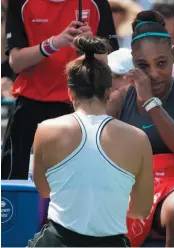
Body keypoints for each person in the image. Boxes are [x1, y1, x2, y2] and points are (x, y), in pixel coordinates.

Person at [29, 36, 154, 247]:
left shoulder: (45, 130)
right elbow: (141, 209)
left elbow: (44, 190)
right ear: (108, 93)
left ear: (70, 93)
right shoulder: (138, 138)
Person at [107, 10, 174, 247]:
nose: (154, 74)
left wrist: (150, 103)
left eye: (161, 63)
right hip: (131, 190)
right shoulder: (117, 100)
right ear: (132, 64)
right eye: (143, 66)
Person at [1, 0, 119, 180]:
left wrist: (92, 46)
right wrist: (54, 43)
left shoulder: (96, 3)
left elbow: (111, 63)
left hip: (80, 106)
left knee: (77, 182)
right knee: (13, 184)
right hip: (29, 104)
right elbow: (16, 62)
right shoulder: (20, 2)